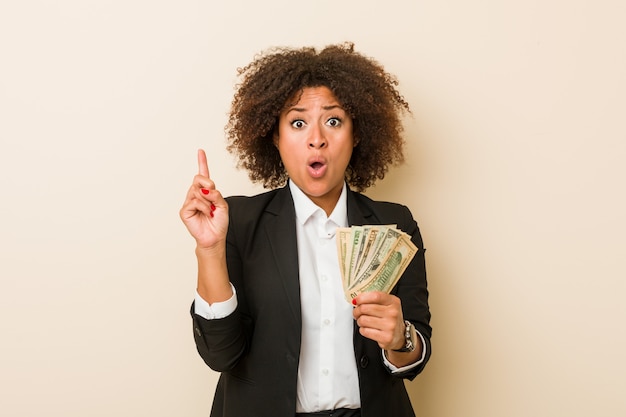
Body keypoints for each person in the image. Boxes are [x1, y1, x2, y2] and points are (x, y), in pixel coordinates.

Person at [180, 42, 431, 417]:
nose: (317, 138)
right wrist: (209, 250)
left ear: (357, 133)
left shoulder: (395, 224)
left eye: (333, 120)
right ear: (275, 138)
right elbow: (221, 354)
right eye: (298, 123)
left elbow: (416, 354)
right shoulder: (238, 222)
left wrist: (401, 338)